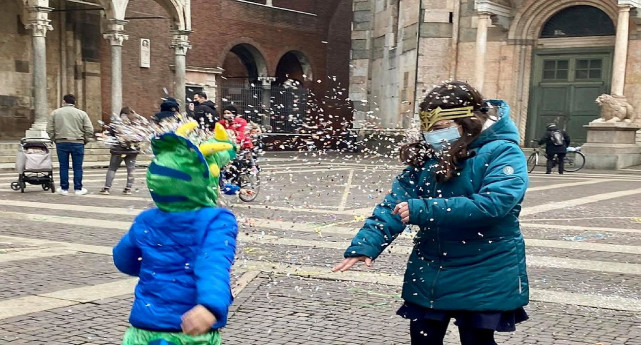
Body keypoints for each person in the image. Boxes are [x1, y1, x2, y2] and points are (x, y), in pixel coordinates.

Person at [333, 81, 529, 345]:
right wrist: (365, 245)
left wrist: (422, 209)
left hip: (484, 268)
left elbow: (494, 204)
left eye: (438, 128)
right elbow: (394, 204)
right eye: (427, 129)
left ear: (466, 121)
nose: (431, 136)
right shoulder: (429, 156)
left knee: (476, 341)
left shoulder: (503, 151)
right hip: (432, 266)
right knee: (423, 339)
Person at [113, 120, 238, 345]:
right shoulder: (217, 220)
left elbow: (123, 260)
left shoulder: (146, 219)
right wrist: (209, 306)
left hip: (144, 329)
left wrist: (155, 266)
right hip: (190, 333)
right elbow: (214, 264)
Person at [46, 94, 94, 196]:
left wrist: (55, 139)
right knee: (77, 167)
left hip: (61, 142)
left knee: (63, 166)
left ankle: (64, 188)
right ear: (74, 102)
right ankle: (78, 188)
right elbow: (89, 130)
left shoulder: (55, 113)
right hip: (78, 142)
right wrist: (84, 140)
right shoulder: (82, 114)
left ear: (63, 102)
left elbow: (49, 129)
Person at [99, 107, 151, 195]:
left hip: (118, 150)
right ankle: (128, 189)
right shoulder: (136, 124)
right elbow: (145, 127)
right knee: (131, 169)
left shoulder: (116, 124)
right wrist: (137, 116)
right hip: (132, 150)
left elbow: (108, 135)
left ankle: (107, 188)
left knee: (112, 168)